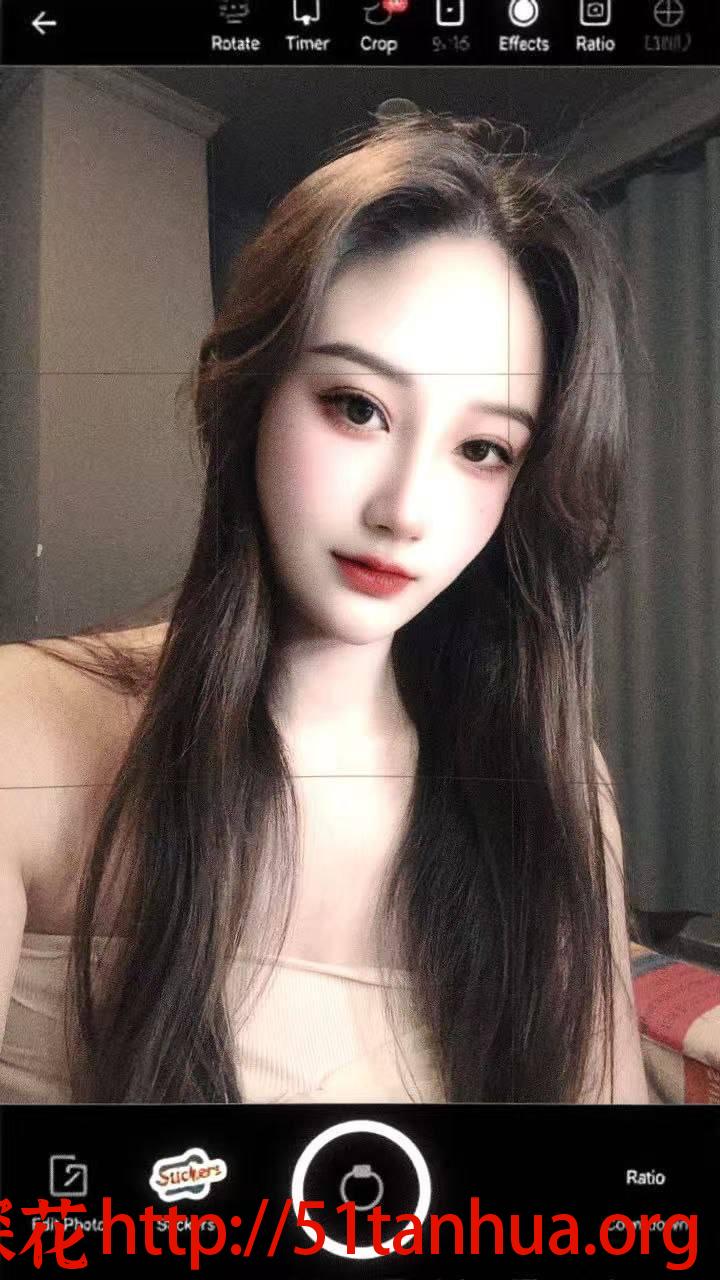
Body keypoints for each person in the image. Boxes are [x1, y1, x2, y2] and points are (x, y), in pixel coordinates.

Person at [0, 111, 649, 1105]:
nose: (405, 510)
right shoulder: (25, 730)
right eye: (358, 407)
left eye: (483, 449)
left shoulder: (551, 779)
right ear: (251, 395)